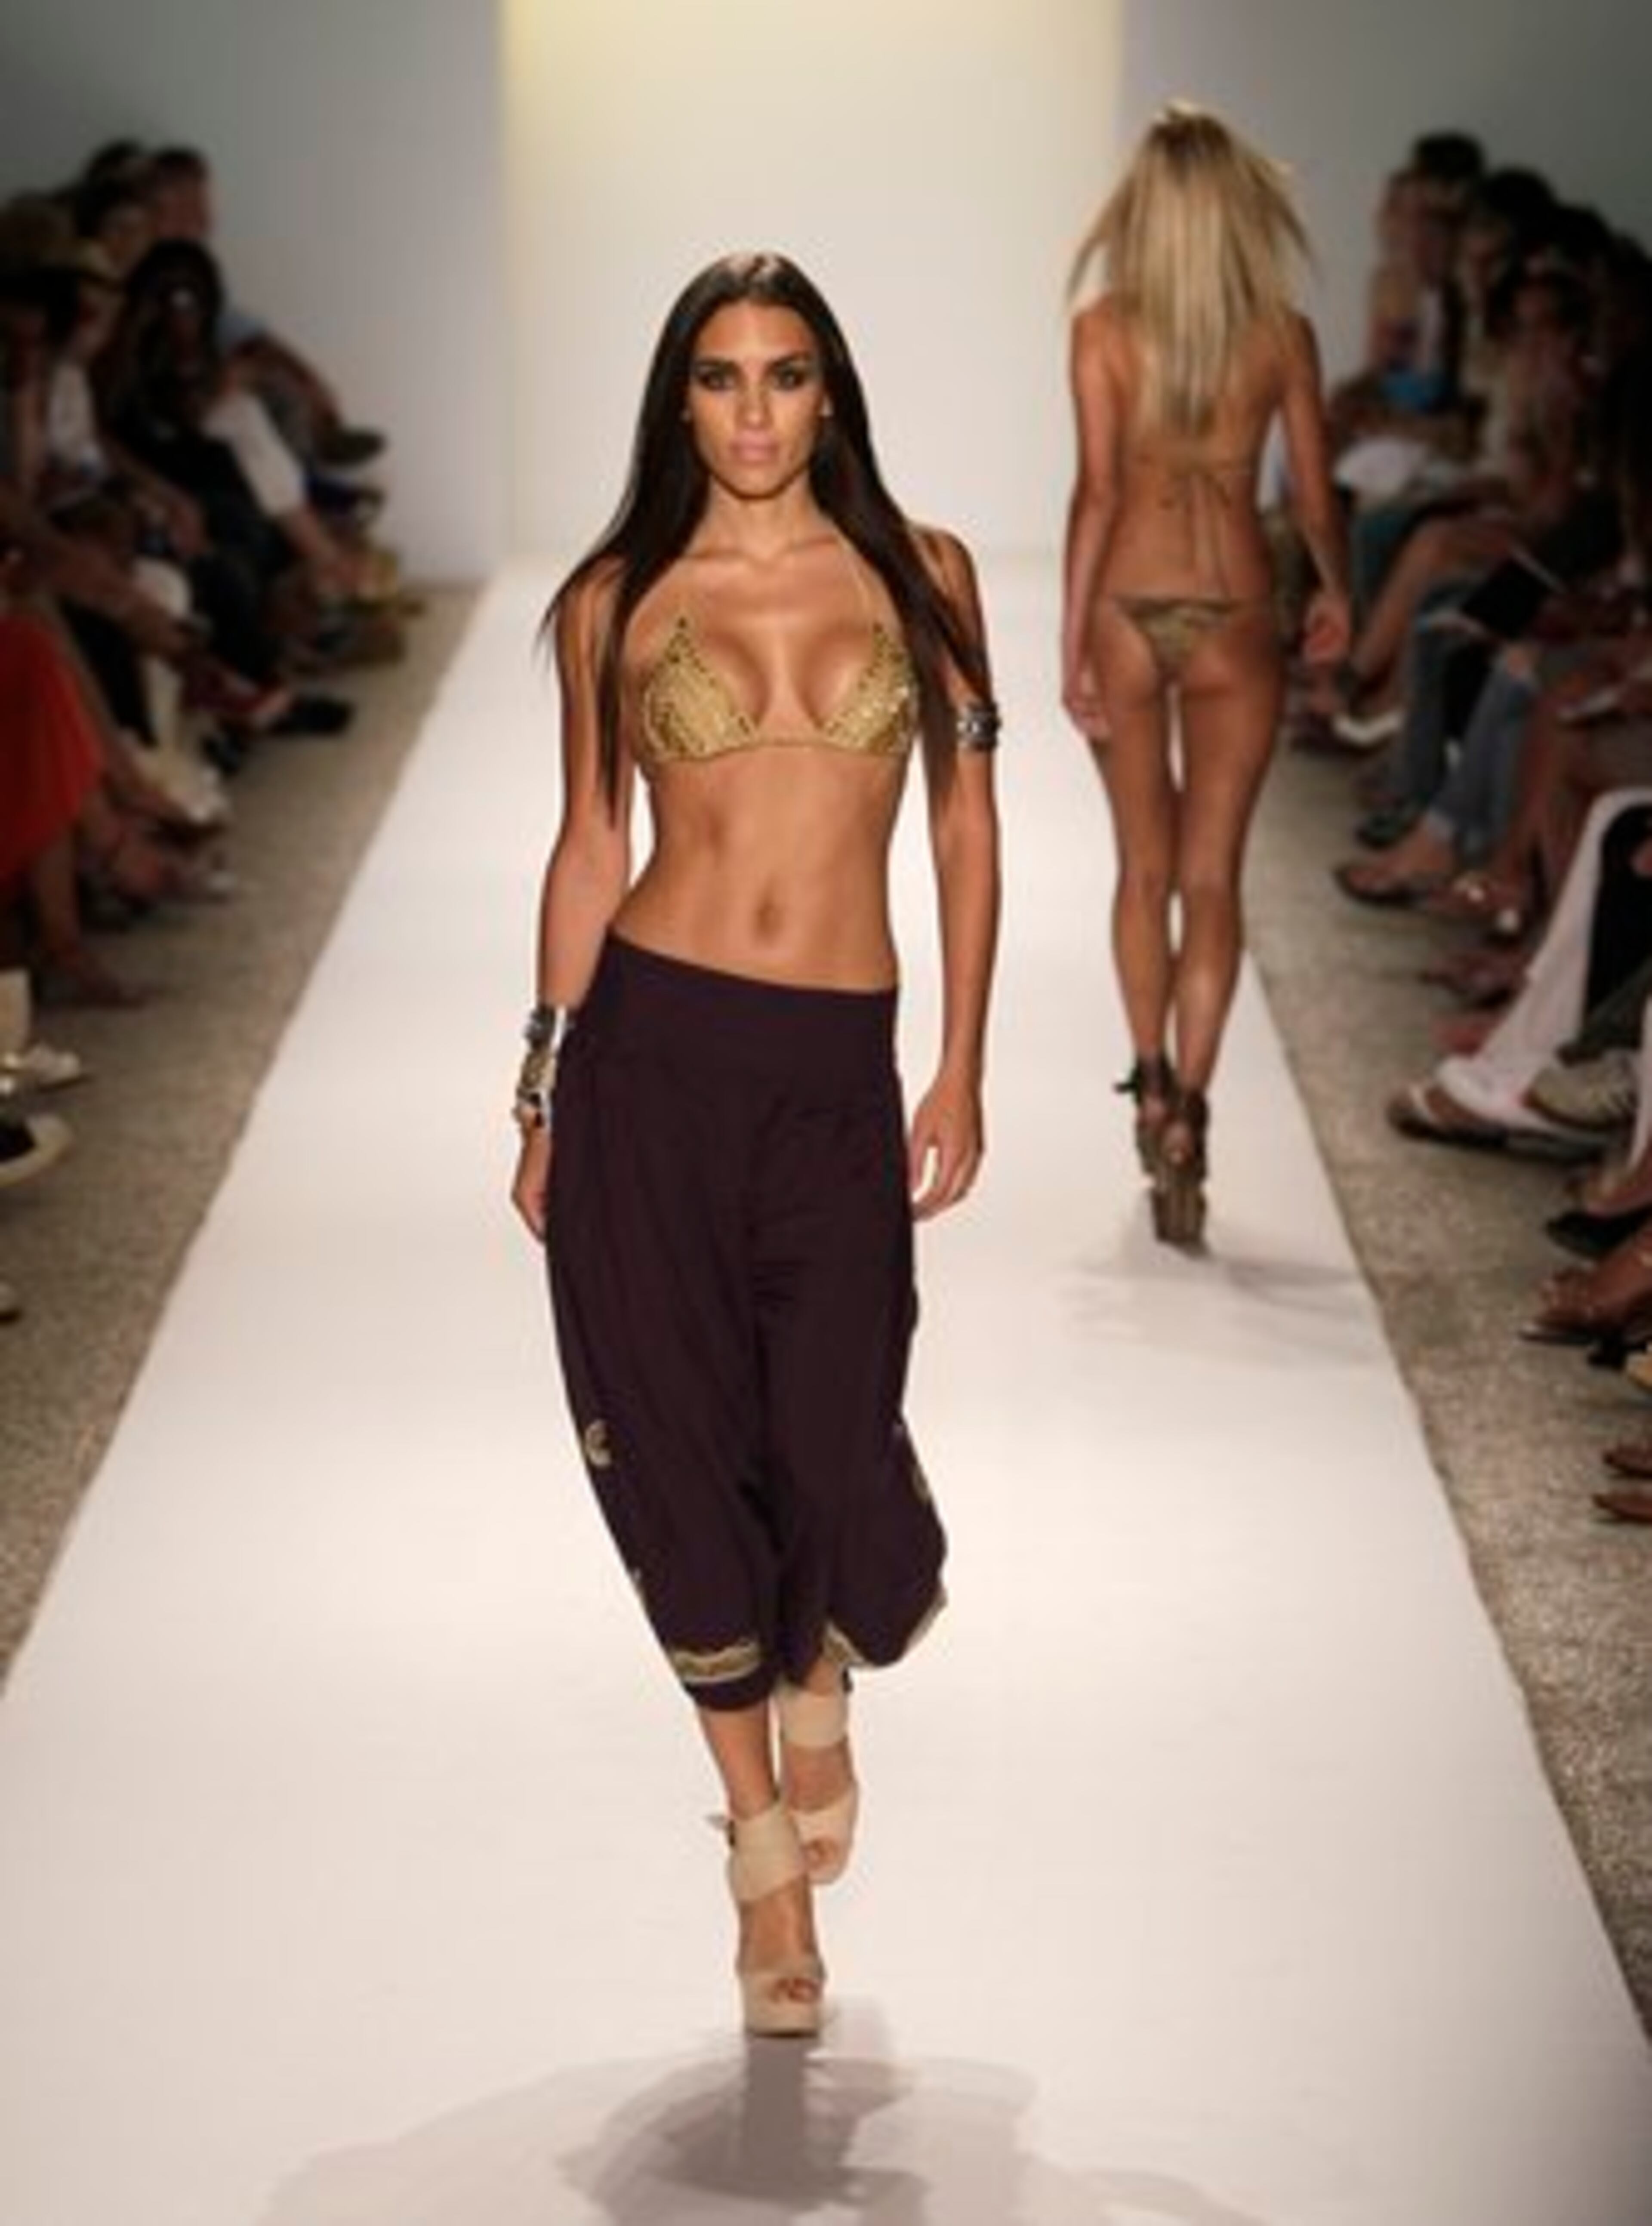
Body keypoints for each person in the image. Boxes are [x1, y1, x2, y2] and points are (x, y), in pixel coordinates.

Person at [508, 253, 1001, 2038]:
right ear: (680, 401)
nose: (757, 412)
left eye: (788, 377)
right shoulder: (618, 598)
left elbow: (963, 824)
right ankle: (761, 1868)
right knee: (680, 1440)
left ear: (832, 396)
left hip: (835, 1060)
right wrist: (545, 1078)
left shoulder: (925, 578)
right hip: (654, 1052)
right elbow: (588, 843)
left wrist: (962, 1062)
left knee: (833, 1426)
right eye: (722, 379)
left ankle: (820, 1672)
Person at [1062, 102, 1350, 1243]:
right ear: (1236, 210)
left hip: (1131, 605)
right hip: (1236, 606)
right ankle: (1195, 1102)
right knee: (1214, 879)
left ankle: (1147, 1079)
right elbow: (1315, 499)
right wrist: (1336, 593)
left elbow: (1094, 492)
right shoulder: (1280, 334)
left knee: (1143, 872)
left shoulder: (1101, 330)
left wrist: (1073, 634)